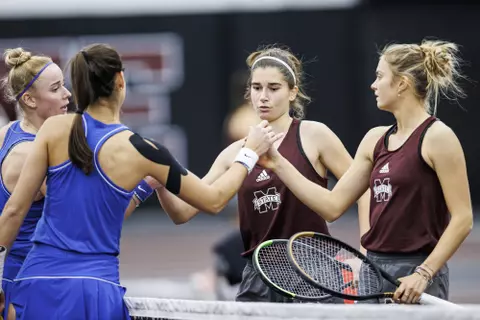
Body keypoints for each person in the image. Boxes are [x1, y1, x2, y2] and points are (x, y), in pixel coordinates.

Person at [0, 43, 279, 319]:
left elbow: (14, 210)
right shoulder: (145, 151)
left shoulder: (52, 129)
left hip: (37, 280)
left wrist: (148, 185)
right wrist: (249, 154)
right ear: (120, 80)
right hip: (94, 289)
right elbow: (214, 200)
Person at [260, 39, 473, 304]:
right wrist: (278, 163)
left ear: (402, 83)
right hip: (374, 269)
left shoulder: (438, 137)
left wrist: (424, 273)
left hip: (417, 271)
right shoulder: (374, 140)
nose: (373, 84)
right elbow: (332, 205)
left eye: (380, 76)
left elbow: (463, 218)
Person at [156, 45, 369, 303]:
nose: (263, 97)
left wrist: (365, 253)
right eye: (256, 88)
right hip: (259, 277)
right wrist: (160, 182)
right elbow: (182, 212)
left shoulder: (314, 135)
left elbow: (363, 189)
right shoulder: (234, 152)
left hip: (315, 270)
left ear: (293, 92)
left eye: (274, 88)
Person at [0, 48, 163, 320]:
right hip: (31, 288)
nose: (67, 94)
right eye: (55, 89)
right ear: (28, 99)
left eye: (64, 84)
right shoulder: (32, 155)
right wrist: (145, 186)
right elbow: (90, 223)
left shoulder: (8, 133)